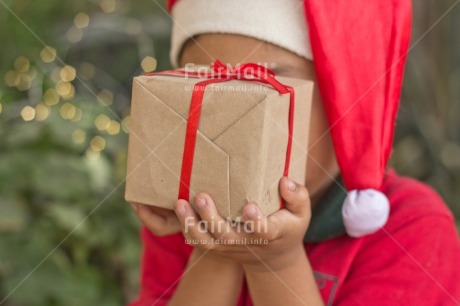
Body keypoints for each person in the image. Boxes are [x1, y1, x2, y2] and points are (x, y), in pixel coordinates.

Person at [128, 0, 460, 305]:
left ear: (342, 103)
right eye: (205, 81)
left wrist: (274, 261)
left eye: (265, 83)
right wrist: (217, 252)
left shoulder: (412, 229)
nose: (233, 120)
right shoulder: (181, 218)